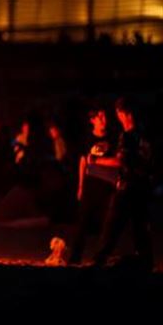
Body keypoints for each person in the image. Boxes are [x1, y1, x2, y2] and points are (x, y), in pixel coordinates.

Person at [93, 98, 154, 269]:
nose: (118, 118)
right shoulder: (145, 133)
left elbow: (121, 161)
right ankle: (146, 261)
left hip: (127, 187)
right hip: (143, 187)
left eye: (118, 114)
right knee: (140, 226)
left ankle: (100, 260)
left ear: (124, 113)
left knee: (111, 225)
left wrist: (96, 161)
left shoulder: (127, 136)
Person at [68, 108, 117, 264]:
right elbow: (83, 161)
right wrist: (80, 186)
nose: (103, 120)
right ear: (92, 120)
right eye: (100, 117)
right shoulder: (87, 138)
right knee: (82, 220)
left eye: (104, 116)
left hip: (107, 183)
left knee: (105, 223)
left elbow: (117, 161)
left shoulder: (113, 138)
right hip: (91, 182)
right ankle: (75, 256)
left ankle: (101, 256)